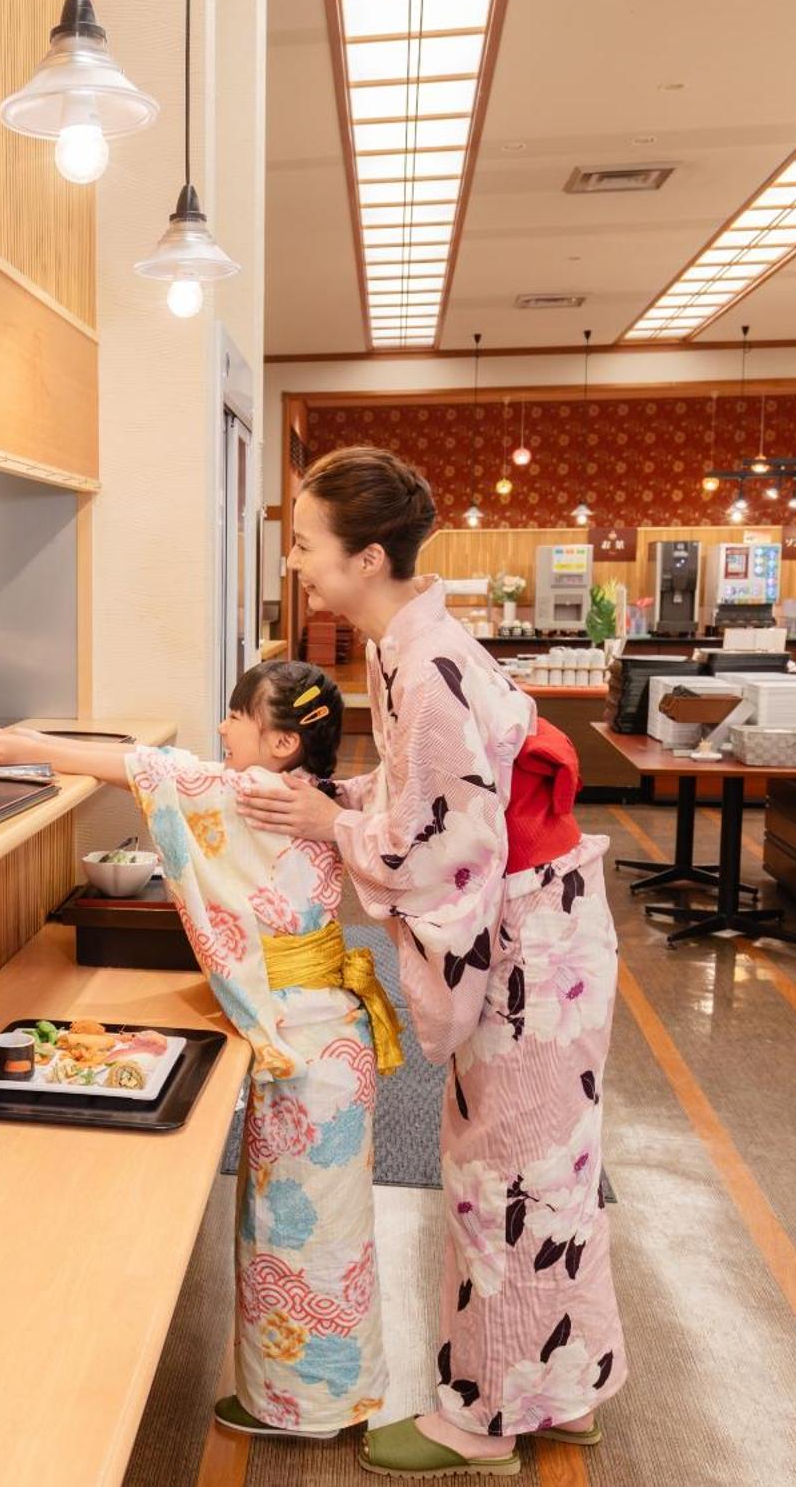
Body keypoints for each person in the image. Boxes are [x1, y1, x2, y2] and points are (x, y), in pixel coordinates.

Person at [238, 447, 625, 1479]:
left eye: (308, 546)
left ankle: (482, 1420)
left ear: (366, 557)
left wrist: (334, 819)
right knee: (551, 1176)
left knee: (502, 1180)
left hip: (527, 950)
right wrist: (354, 805)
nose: (298, 564)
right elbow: (439, 797)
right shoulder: (415, 643)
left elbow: (447, 849)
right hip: (544, 927)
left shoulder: (424, 662)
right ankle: (561, 1384)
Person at [0, 662, 398, 1441]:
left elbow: (143, 766)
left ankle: (297, 1411)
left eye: (237, 716)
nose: (223, 727)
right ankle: (338, 1396)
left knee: (286, 1230)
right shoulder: (317, 799)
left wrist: (20, 746)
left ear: (280, 742)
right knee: (332, 1230)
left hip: (299, 1041)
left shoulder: (247, 793)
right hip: (331, 1031)